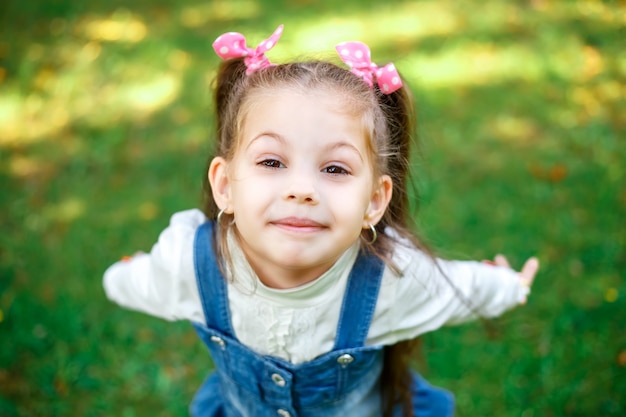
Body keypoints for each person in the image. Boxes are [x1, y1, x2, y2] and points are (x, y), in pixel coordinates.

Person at [103, 25, 539, 417]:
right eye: (272, 161)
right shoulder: (189, 263)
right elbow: (135, 280)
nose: (302, 189)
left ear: (373, 201)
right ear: (225, 185)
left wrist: (508, 285)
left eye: (334, 169)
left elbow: (458, 289)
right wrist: (120, 275)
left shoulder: (389, 277)